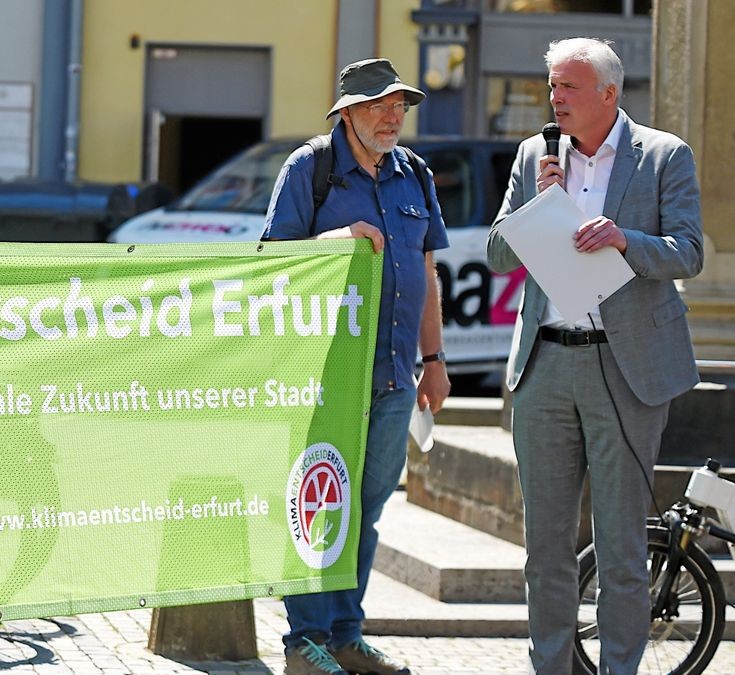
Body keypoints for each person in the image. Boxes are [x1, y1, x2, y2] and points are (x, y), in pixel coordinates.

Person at [487, 38, 703, 674]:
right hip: (545, 367)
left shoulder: (664, 155)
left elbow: (688, 251)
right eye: (552, 86)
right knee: (545, 548)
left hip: (626, 368)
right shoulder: (535, 155)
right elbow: (500, 253)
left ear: (609, 94)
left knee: (620, 547)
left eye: (569, 88)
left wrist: (624, 239)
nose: (554, 99)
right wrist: (537, 206)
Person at [264, 58, 450, 675]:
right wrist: (334, 240)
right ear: (347, 113)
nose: (393, 115)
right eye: (378, 104)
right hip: (323, 378)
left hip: (396, 375)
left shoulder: (414, 174)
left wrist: (435, 360)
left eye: (399, 104)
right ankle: (304, 641)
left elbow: (425, 271)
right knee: (318, 504)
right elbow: (273, 263)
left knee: (366, 510)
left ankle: (346, 635)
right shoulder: (309, 170)